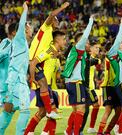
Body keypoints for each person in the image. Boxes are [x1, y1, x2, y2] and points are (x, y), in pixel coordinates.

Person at [24, 2, 69, 135]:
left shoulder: (51, 44)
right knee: (50, 109)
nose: (57, 20)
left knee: (43, 111)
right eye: (56, 19)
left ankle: (30, 132)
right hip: (33, 61)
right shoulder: (46, 28)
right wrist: (63, 7)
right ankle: (46, 129)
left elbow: (51, 53)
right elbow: (51, 15)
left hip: (41, 72)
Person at [0, 2, 32, 135]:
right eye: (29, 26)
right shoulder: (17, 40)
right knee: (25, 111)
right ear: (21, 30)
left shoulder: (21, 43)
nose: (31, 28)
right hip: (16, 80)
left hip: (13, 81)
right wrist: (25, 10)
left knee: (9, 110)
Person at [62, 15, 94, 135]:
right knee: (81, 109)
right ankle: (75, 133)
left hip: (70, 83)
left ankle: (68, 131)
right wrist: (90, 21)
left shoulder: (77, 52)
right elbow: (85, 35)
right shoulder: (78, 48)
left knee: (76, 110)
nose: (88, 43)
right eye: (87, 42)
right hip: (76, 83)